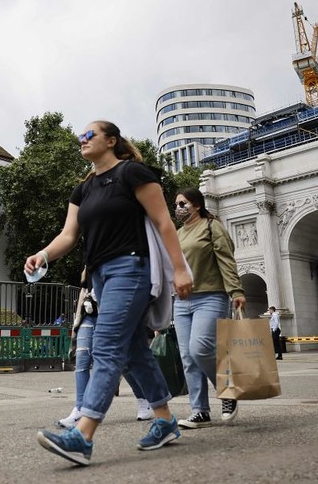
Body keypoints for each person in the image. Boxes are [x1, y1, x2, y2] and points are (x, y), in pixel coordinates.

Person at [25, 120, 193, 466]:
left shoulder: (133, 173)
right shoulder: (83, 189)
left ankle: (82, 436)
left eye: (90, 135)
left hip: (131, 268)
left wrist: (179, 269)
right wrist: (43, 254)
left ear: (111, 140)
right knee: (133, 351)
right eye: (80, 137)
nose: (82, 140)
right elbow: (69, 235)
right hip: (100, 275)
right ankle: (164, 420)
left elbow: (164, 222)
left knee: (106, 345)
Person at [172, 187, 244, 430]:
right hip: (181, 301)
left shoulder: (212, 227)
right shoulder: (178, 233)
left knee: (200, 348)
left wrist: (236, 290)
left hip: (210, 296)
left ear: (197, 205)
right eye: (177, 204)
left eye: (183, 203)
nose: (179, 208)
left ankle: (227, 391)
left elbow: (226, 260)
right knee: (187, 358)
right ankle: (199, 410)